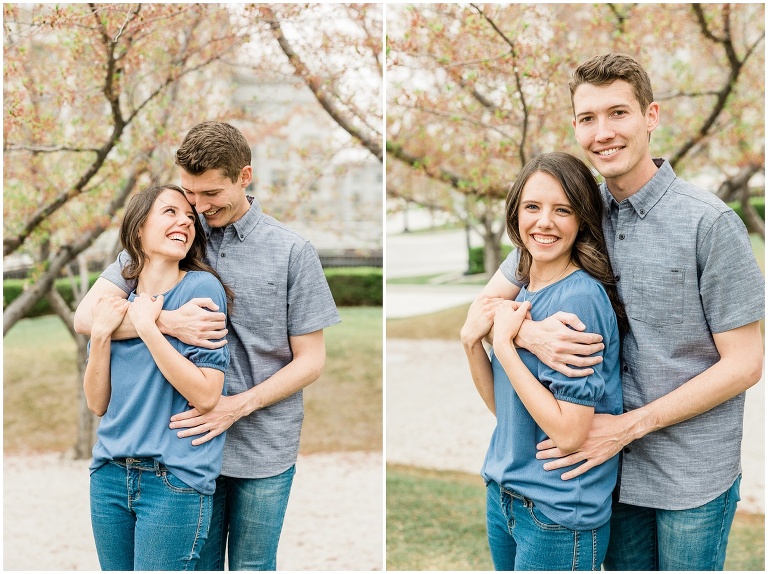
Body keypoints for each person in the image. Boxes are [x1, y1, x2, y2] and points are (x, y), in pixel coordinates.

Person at [470, 53, 764, 570]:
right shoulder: (574, 213)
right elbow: (487, 304)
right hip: (605, 475)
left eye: (618, 113)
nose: (602, 132)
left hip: (688, 474)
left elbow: (745, 363)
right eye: (587, 118)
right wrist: (531, 335)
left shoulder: (709, 224)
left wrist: (629, 426)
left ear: (650, 116)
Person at [75, 121, 341, 570]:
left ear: (244, 177)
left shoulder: (292, 252)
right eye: (189, 192)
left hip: (260, 443)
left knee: (252, 567)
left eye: (210, 195)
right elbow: (88, 318)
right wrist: (167, 321)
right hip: (181, 446)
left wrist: (237, 405)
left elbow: (312, 360)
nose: (197, 207)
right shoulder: (170, 237)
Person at [462, 152, 626, 570]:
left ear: (581, 219)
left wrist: (502, 346)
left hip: (557, 513)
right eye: (532, 207)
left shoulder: (579, 299)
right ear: (515, 211)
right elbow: (508, 412)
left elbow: (570, 434)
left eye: (562, 210)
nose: (544, 222)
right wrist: (470, 344)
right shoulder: (521, 289)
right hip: (506, 497)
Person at [85, 183, 231, 570]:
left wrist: (151, 329)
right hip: (109, 476)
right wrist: (101, 334)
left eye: (189, 217)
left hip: (173, 481)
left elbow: (206, 394)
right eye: (170, 212)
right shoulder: (116, 304)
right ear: (138, 228)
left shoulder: (201, 288)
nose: (185, 220)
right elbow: (97, 403)